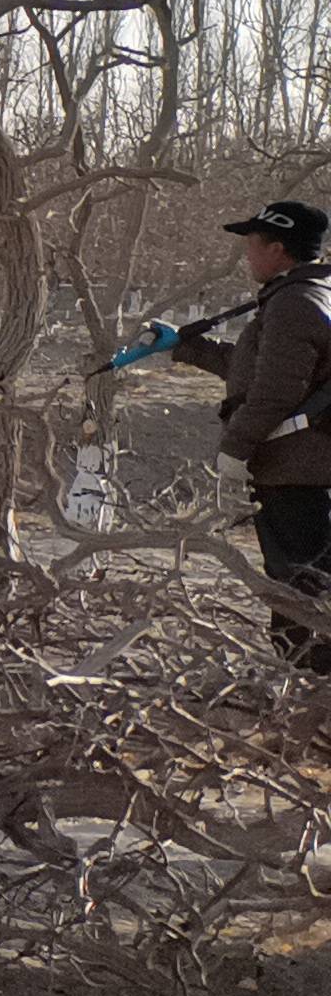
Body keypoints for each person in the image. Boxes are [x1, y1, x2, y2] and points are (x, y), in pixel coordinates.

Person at [164, 199, 329, 668]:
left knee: (301, 592)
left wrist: (235, 448)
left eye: (252, 244)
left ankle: (307, 699)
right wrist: (186, 345)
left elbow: (276, 391)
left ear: (277, 249)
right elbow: (254, 369)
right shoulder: (308, 293)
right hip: (302, 468)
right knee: (300, 588)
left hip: (299, 473)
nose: (247, 255)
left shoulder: (295, 303)